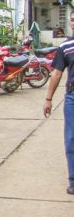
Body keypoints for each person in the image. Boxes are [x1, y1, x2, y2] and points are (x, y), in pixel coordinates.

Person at [43, 13, 74, 195]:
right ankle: (73, 180)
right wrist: (48, 99)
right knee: (71, 139)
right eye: (72, 20)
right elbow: (56, 73)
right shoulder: (66, 47)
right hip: (72, 98)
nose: (73, 23)